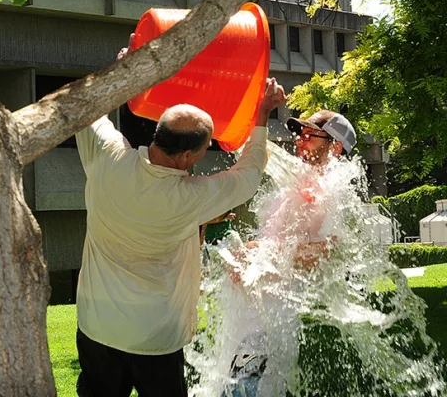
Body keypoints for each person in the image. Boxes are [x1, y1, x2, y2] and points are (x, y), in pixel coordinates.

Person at [74, 41, 287, 396]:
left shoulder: (107, 158)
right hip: (155, 337)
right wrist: (262, 113)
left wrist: (125, 71)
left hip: (97, 326)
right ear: (188, 155)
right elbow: (248, 175)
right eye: (207, 148)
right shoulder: (190, 199)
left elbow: (87, 104)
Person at [222, 109, 357, 397]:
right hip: (254, 309)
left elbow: (327, 251)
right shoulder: (295, 187)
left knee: (245, 388)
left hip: (276, 315)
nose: (299, 141)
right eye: (300, 134)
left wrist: (263, 255)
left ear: (334, 146)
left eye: (310, 135)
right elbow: (275, 242)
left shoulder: (335, 190)